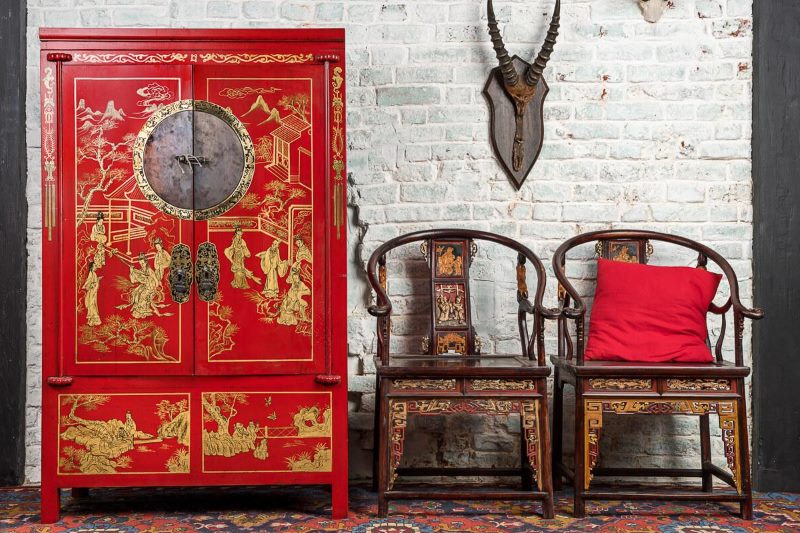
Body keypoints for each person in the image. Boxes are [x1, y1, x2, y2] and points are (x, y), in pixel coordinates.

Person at [82, 261, 101, 326]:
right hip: (91, 292)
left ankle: (93, 321)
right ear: (92, 267)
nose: (96, 267)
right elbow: (88, 283)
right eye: (95, 266)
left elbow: (94, 282)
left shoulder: (94, 274)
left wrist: (97, 280)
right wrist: (93, 284)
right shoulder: (91, 273)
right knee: (91, 305)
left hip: (94, 292)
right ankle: (91, 321)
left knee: (94, 305)